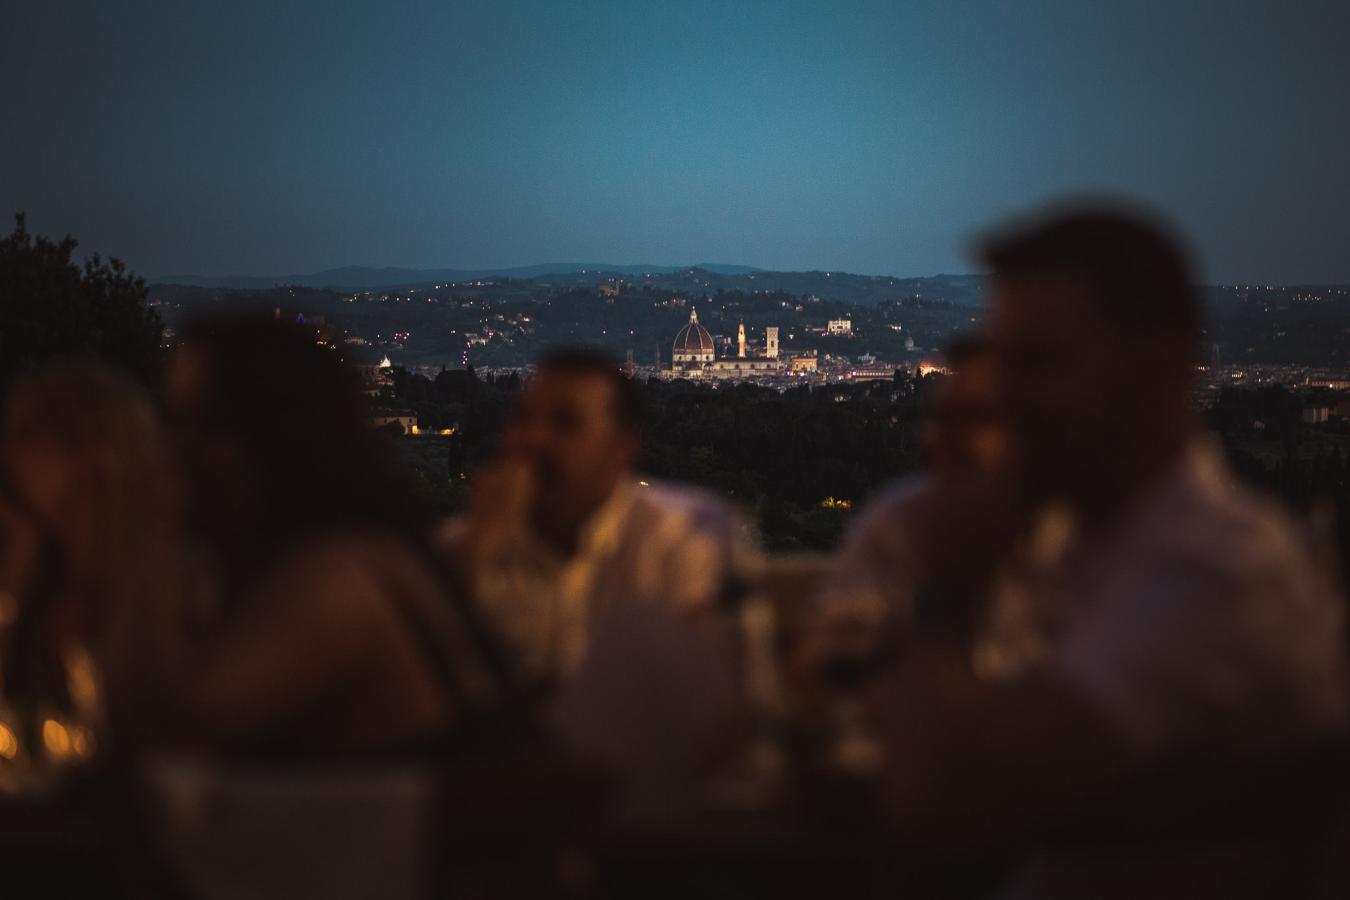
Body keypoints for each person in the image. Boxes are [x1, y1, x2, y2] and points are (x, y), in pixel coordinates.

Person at [870, 204, 1348, 897]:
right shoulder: (1118, 548)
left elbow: (938, 810)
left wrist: (945, 594)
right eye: (1003, 361)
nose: (1004, 397)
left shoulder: (1209, 574)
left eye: (1037, 363)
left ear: (1159, 368)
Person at [151, 316, 501, 757]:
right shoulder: (340, 555)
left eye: (194, 424)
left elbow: (170, 733)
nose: (168, 446)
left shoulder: (334, 580)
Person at [440, 349, 745, 690]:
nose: (534, 439)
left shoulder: (682, 536)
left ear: (620, 448)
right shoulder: (466, 546)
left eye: (564, 423)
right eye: (523, 419)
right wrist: (479, 544)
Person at [0, 366, 182, 760]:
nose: (9, 452)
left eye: (29, 435)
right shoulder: (33, 562)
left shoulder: (175, 589)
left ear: (93, 456)